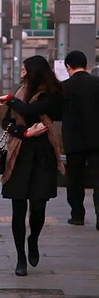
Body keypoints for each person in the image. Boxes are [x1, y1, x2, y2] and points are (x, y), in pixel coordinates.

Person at [0, 55, 63, 277]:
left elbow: (28, 111)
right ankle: (20, 257)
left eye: (24, 70)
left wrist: (9, 100)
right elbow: (8, 122)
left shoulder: (51, 94)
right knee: (17, 209)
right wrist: (24, 132)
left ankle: (33, 239)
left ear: (34, 72)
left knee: (38, 207)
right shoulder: (19, 92)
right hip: (19, 154)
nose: (21, 73)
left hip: (43, 155)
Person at [61, 50, 99, 229]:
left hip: (73, 140)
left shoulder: (64, 87)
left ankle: (77, 214)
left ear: (68, 66)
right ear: (86, 65)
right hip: (96, 140)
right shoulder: (97, 83)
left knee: (74, 178)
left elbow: (57, 113)